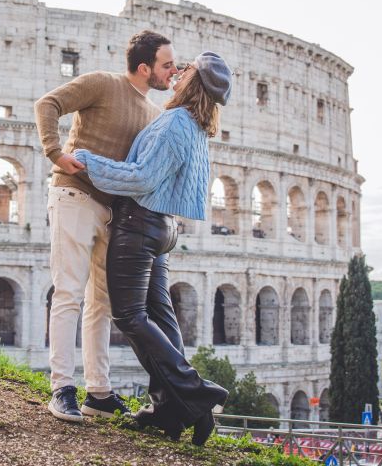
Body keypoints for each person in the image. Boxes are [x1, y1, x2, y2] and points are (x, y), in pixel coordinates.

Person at [73, 52, 233, 446]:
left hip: (139, 223)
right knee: (161, 320)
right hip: (162, 227)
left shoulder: (176, 121)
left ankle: (196, 392)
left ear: (194, 81)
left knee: (129, 316)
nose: (178, 71)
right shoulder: (195, 125)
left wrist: (86, 160)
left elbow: (143, 177)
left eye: (187, 69)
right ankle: (170, 410)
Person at [34, 30, 179, 422]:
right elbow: (48, 103)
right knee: (67, 291)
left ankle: (98, 392)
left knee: (102, 302)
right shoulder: (103, 83)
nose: (173, 71)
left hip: (116, 212)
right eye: (168, 64)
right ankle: (61, 387)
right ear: (145, 66)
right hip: (74, 196)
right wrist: (55, 153)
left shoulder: (154, 113)